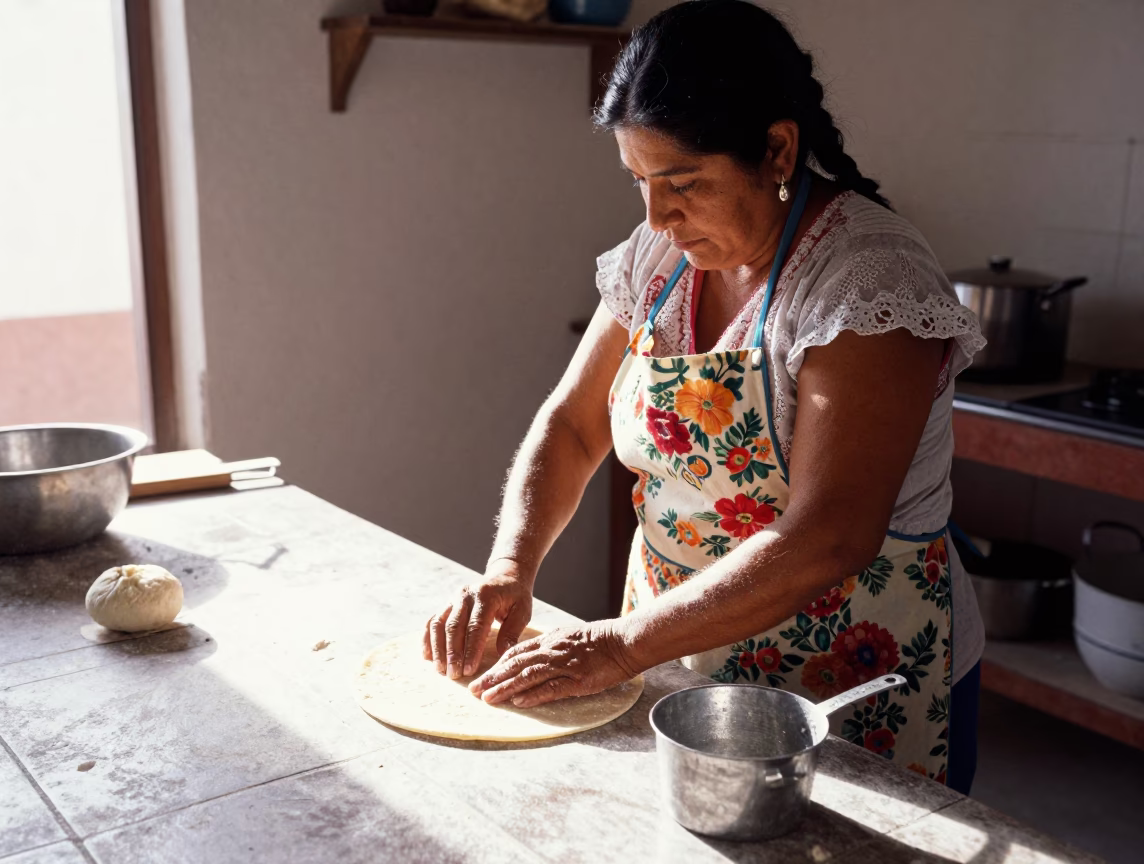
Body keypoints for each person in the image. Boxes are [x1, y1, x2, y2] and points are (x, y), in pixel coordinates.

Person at [422, 0, 986, 793]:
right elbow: (574, 424)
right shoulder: (661, 256)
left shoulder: (866, 283)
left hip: (850, 677)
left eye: (683, 181)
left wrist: (617, 647)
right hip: (676, 654)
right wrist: (509, 571)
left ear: (778, 149)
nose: (657, 215)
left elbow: (829, 536)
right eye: (640, 181)